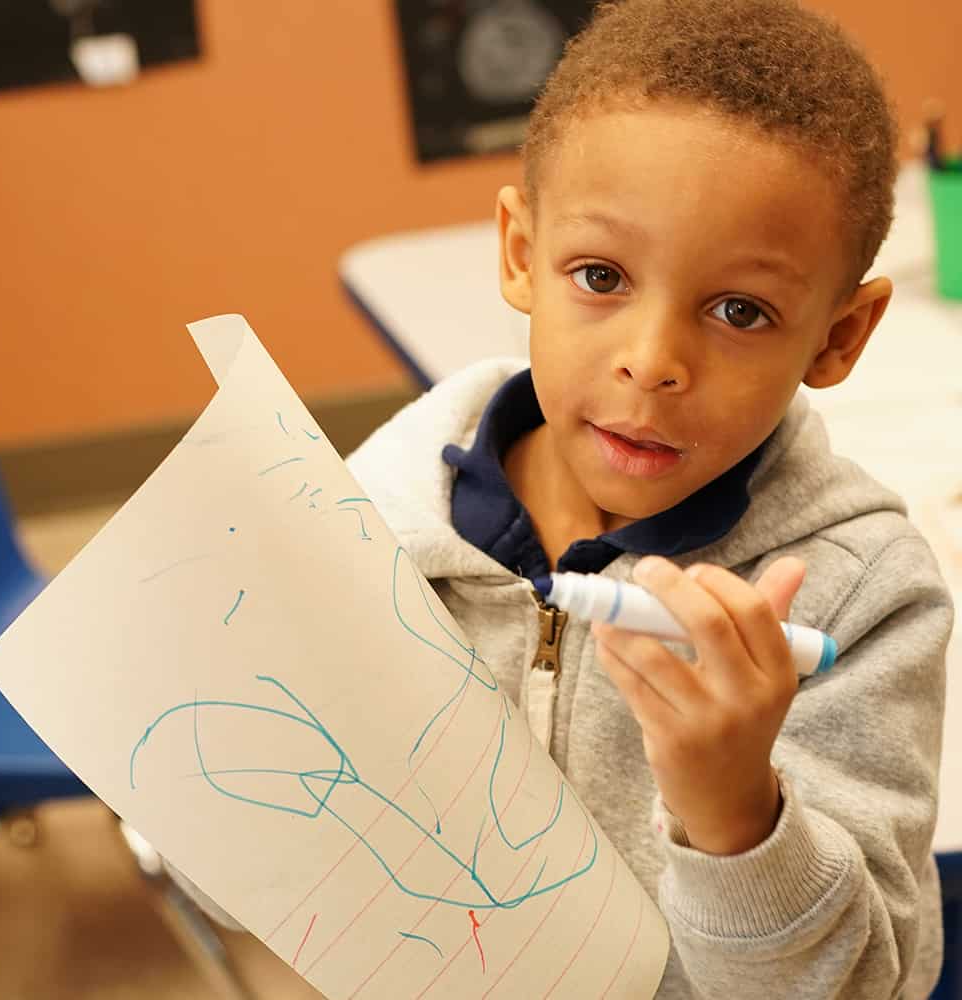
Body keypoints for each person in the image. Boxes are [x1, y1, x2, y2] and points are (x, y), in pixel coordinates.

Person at [342, 0, 954, 994]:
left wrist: (736, 818)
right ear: (517, 254)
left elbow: (860, 982)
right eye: (600, 275)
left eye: (739, 310)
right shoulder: (368, 510)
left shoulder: (864, 595)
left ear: (839, 337)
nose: (652, 361)